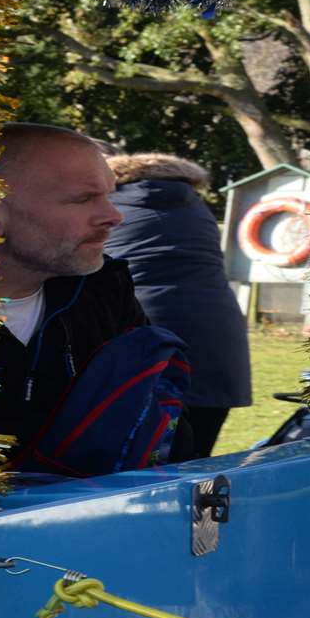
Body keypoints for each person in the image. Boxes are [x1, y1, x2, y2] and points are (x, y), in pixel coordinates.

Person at [0, 124, 153, 455]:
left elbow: (158, 426)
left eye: (110, 195)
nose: (113, 216)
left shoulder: (104, 291)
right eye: (83, 199)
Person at [104, 152, 251, 457]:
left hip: (149, 330)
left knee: (138, 459)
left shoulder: (110, 207)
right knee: (197, 455)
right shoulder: (196, 208)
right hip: (218, 331)